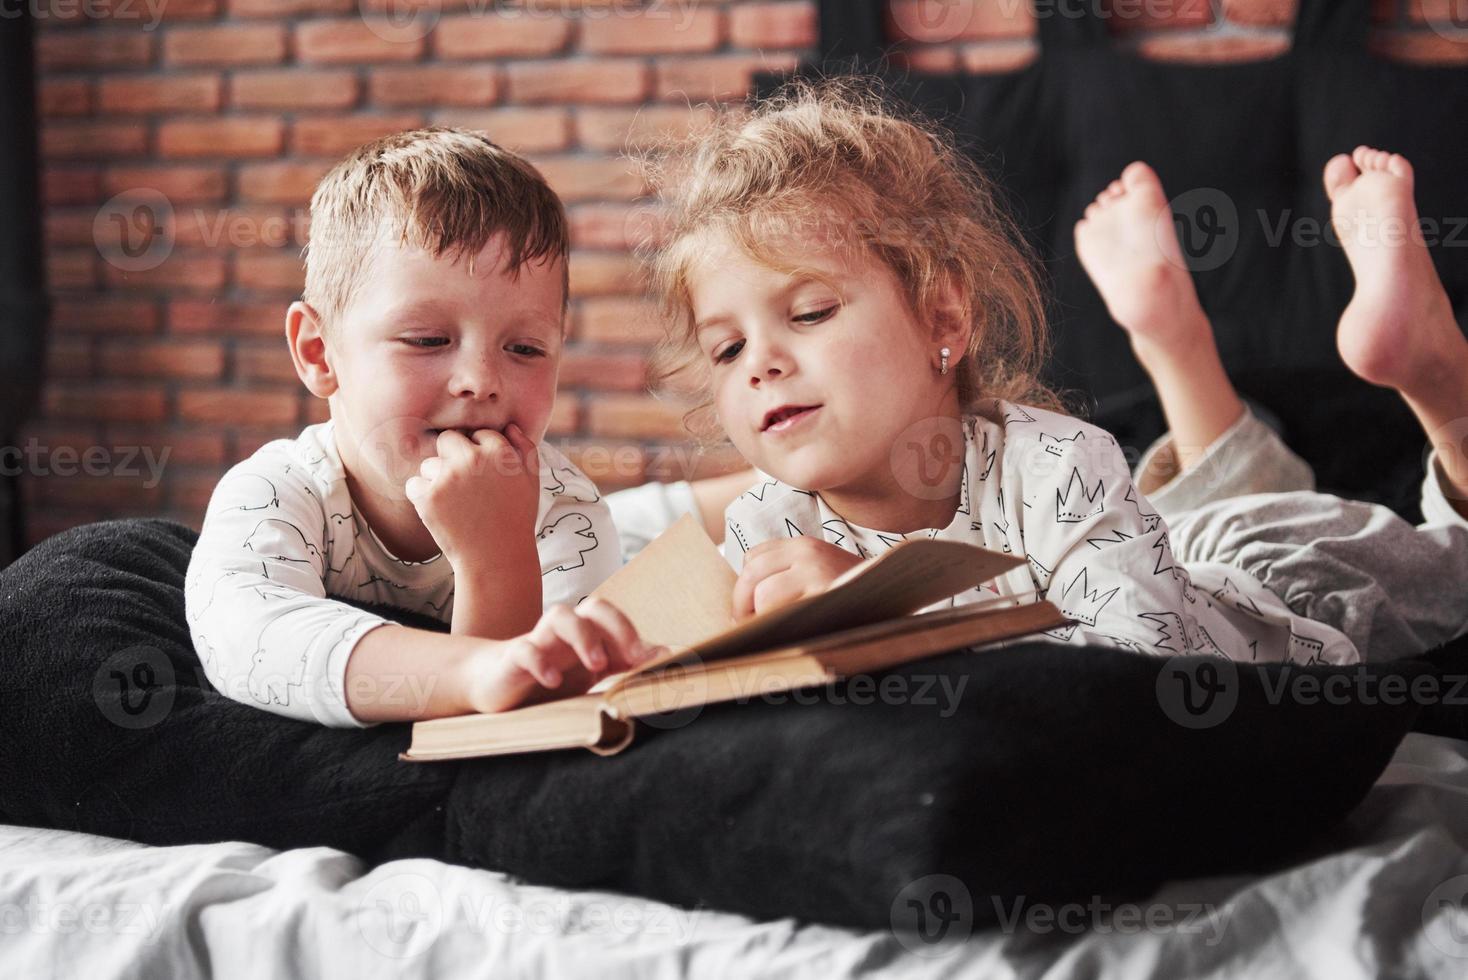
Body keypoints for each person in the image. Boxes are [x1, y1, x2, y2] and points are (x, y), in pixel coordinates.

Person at [642, 79, 1468, 664]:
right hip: (1164, 543)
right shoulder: (764, 528)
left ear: (943, 319)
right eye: (727, 349)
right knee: (1201, 498)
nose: (762, 365)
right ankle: (1176, 344)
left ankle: (1433, 370)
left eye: (810, 312)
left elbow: (1146, 668)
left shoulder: (1054, 463)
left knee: (1456, 563)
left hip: (1275, 598)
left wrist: (883, 609)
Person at [186, 128, 663, 728]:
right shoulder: (278, 491)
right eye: (428, 340)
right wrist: (472, 673)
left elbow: (528, 719)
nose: (480, 380)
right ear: (318, 353)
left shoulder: (568, 513)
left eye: (525, 348)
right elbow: (249, 644)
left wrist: (498, 557)